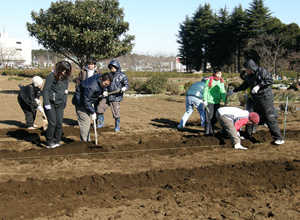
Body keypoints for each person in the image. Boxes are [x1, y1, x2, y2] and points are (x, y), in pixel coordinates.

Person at [233, 59, 284, 145]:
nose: (246, 71)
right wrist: (235, 90)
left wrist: (259, 86)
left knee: (269, 116)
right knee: (251, 115)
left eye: (247, 69)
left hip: (265, 98)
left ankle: (278, 138)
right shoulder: (249, 75)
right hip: (256, 99)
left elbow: (270, 80)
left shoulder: (262, 71)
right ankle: (247, 134)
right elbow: (245, 85)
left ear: (251, 67)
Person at [72, 73, 112, 142]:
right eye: (105, 84)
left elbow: (101, 88)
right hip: (81, 103)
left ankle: (88, 140)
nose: (106, 86)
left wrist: (104, 90)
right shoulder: (91, 86)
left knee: (87, 123)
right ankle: (84, 143)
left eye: (107, 85)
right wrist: (93, 112)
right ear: (102, 79)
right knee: (85, 123)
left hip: (88, 102)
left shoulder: (100, 78)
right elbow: (86, 101)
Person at [43, 61, 72, 149]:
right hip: (50, 103)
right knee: (52, 123)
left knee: (59, 123)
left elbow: (65, 92)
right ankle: (49, 141)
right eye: (63, 70)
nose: (64, 72)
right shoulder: (51, 76)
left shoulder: (65, 78)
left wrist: (64, 102)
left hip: (60, 104)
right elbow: (46, 90)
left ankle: (57, 140)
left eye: (66, 70)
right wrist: (46, 103)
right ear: (59, 69)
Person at [97, 59, 129, 132]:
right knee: (100, 108)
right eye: (111, 67)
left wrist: (124, 88)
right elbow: (105, 85)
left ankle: (117, 126)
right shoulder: (109, 75)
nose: (112, 69)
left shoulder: (122, 76)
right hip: (107, 96)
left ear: (117, 67)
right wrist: (105, 91)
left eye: (113, 67)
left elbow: (127, 85)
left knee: (116, 113)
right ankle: (101, 123)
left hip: (116, 97)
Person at [203, 70, 227, 135]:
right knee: (209, 117)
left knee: (215, 118)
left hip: (217, 101)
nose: (220, 75)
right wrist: (205, 100)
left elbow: (223, 91)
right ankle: (207, 132)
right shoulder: (209, 80)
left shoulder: (221, 81)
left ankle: (212, 131)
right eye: (218, 73)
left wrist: (225, 101)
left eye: (220, 74)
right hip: (209, 101)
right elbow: (206, 90)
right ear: (215, 74)